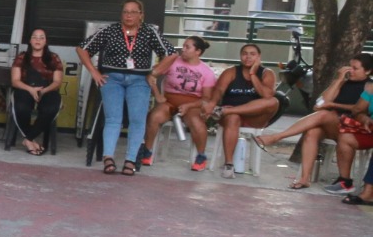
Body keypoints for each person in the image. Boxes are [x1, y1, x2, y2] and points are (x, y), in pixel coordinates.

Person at [77, 0, 175, 175]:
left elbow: (170, 54)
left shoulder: (149, 32)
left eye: (133, 12)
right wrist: (94, 72)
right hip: (112, 79)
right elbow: (83, 49)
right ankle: (108, 158)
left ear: (141, 15)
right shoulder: (110, 30)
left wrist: (154, 73)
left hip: (139, 80)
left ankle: (130, 160)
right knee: (113, 119)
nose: (129, 15)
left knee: (137, 121)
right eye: (125, 12)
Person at [254, 54, 373, 191]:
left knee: (323, 114)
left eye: (355, 68)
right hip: (334, 124)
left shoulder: (369, 87)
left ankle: (277, 137)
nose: (350, 70)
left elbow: (359, 109)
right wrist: (338, 80)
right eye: (349, 66)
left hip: (353, 126)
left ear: (367, 71)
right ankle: (304, 179)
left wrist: (332, 104)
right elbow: (320, 103)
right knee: (312, 132)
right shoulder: (344, 83)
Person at [141, 36, 218, 172]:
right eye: (183, 46)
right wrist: (157, 95)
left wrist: (189, 106)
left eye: (187, 47)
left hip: (192, 105)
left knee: (197, 123)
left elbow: (206, 98)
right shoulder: (172, 62)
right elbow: (151, 76)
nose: (183, 49)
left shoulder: (206, 71)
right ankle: (147, 151)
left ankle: (201, 156)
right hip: (169, 102)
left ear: (198, 51)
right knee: (155, 116)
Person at [211, 43, 280, 178]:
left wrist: (253, 74)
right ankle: (229, 165)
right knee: (233, 117)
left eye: (252, 54)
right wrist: (212, 104)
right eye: (245, 53)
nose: (248, 57)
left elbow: (266, 95)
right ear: (240, 56)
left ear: (259, 57)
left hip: (255, 117)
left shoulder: (267, 73)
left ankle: (227, 111)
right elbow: (219, 90)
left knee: (273, 101)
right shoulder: (231, 72)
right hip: (232, 117)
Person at [9, 28, 64, 156]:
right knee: (21, 107)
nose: (38, 40)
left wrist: (44, 91)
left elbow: (57, 82)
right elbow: (15, 81)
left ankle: (28, 139)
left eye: (41, 37)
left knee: (51, 108)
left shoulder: (53, 58)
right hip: (25, 88)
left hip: (47, 90)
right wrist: (30, 89)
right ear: (30, 40)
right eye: (34, 37)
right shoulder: (22, 57)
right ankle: (31, 141)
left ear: (46, 41)